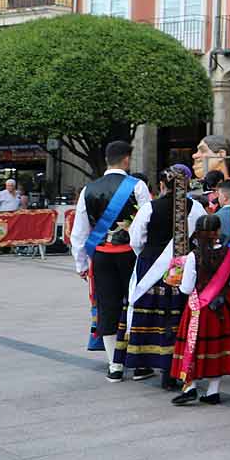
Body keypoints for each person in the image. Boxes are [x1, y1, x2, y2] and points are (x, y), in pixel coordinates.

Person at [70, 141, 154, 378]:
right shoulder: (137, 186)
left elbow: (79, 231)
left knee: (107, 306)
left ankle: (114, 365)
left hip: (102, 256)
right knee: (136, 304)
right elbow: (145, 224)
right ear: (126, 159)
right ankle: (139, 365)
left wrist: (81, 263)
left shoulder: (88, 189)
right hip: (130, 255)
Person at [116, 165, 194, 388]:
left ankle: (143, 362)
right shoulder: (195, 207)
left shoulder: (150, 208)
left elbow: (136, 239)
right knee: (176, 316)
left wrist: (146, 254)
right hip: (182, 268)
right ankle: (174, 368)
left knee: (148, 315)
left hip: (151, 264)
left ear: (162, 185)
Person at [167, 212, 230, 406]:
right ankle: (213, 391)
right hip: (223, 306)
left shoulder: (195, 256)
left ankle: (190, 387)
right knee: (218, 347)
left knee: (194, 346)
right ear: (218, 231)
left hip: (198, 307)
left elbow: (186, 288)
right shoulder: (228, 253)